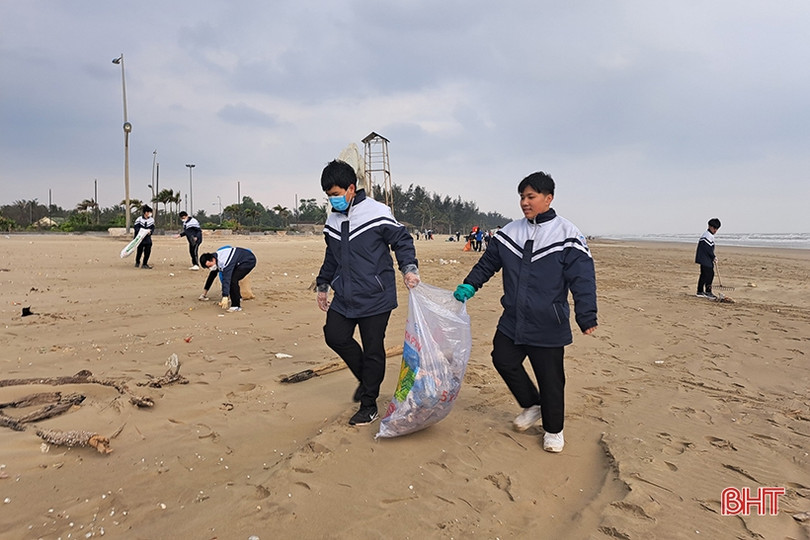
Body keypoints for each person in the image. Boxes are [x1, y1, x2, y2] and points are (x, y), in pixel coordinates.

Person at [453, 171, 597, 453]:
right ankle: (532, 404)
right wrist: (470, 285)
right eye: (522, 197)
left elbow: (583, 278)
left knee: (551, 378)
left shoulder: (568, 234)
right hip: (513, 319)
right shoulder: (510, 233)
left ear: (548, 198)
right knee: (502, 358)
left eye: (531, 197)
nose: (524, 202)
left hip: (549, 321)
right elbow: (487, 263)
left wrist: (586, 315)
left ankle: (554, 429)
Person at [315, 160, 420, 426]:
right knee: (334, 335)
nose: (333, 200)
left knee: (374, 349)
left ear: (351, 188)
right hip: (345, 295)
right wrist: (323, 284)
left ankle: (369, 404)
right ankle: (367, 379)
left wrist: (408, 268)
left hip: (376, 295)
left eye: (336, 194)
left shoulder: (377, 212)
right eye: (329, 196)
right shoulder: (333, 220)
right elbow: (332, 256)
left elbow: (402, 240)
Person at [199, 246, 256, 312]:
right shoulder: (215, 259)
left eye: (210, 266)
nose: (210, 268)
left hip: (248, 261)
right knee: (230, 279)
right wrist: (204, 294)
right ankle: (237, 297)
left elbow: (226, 279)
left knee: (233, 279)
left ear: (213, 260)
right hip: (238, 261)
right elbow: (211, 277)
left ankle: (236, 305)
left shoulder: (224, 261)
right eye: (208, 267)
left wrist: (225, 296)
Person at [695, 218, 721, 300]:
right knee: (709, 274)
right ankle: (708, 292)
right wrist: (713, 257)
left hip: (704, 258)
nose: (715, 230)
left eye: (717, 229)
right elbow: (708, 249)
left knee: (704, 275)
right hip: (705, 258)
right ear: (710, 226)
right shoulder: (708, 235)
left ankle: (700, 291)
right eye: (714, 228)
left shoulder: (707, 234)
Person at [133, 205, 155, 269]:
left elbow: (152, 228)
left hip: (147, 238)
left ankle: (145, 263)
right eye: (149, 212)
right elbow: (136, 228)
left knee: (148, 251)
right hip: (140, 238)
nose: (150, 214)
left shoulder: (151, 220)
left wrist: (150, 232)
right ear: (146, 212)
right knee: (139, 251)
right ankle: (137, 262)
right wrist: (142, 231)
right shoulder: (139, 219)